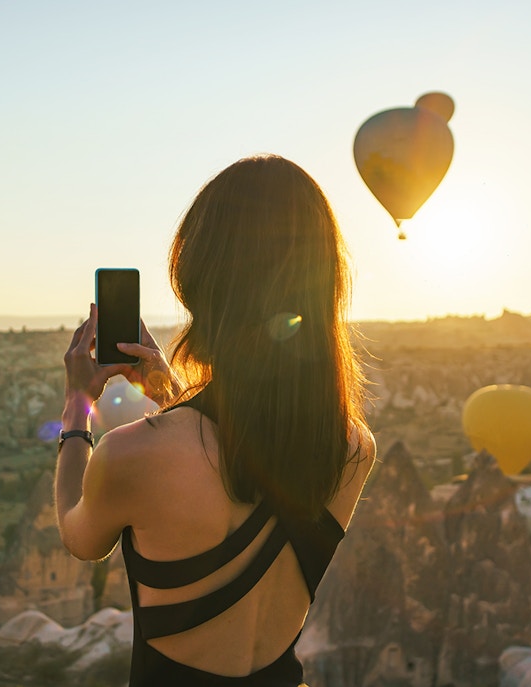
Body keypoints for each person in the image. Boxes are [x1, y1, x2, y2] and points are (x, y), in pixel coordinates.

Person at [57, 155, 376, 686]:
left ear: (201, 281)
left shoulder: (134, 453)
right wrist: (167, 391)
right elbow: (244, 456)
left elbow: (80, 537)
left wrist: (75, 407)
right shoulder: (351, 447)